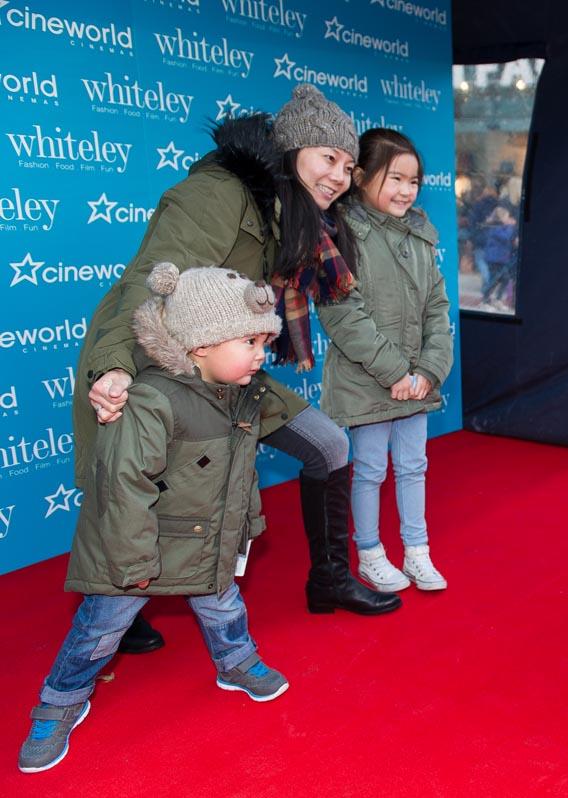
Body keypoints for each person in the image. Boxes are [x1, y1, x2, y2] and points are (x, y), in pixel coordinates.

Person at [73, 84, 400, 654]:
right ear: (294, 150)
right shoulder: (219, 194)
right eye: (329, 157)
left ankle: (329, 578)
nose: (340, 175)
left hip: (230, 370)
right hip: (156, 361)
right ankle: (117, 601)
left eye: (348, 165)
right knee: (141, 482)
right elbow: (148, 278)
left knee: (328, 445)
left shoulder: (296, 220)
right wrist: (112, 366)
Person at [20, 264, 288, 774]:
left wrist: (245, 523)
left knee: (222, 603)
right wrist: (134, 560)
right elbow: (123, 487)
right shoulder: (152, 401)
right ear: (201, 345)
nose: (261, 353)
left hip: (205, 537)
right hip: (137, 545)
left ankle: (235, 662)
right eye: (249, 341)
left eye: (263, 341)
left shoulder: (241, 395)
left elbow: (240, 473)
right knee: (103, 626)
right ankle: (59, 700)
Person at [316, 129, 454, 592]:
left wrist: (427, 372)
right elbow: (342, 314)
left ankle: (417, 550)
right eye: (395, 178)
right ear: (361, 177)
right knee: (371, 469)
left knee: (414, 467)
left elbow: (437, 309)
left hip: (415, 383)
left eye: (414, 181)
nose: (406, 191)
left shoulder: (420, 234)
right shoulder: (341, 234)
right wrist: (395, 372)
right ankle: (370, 552)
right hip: (368, 380)